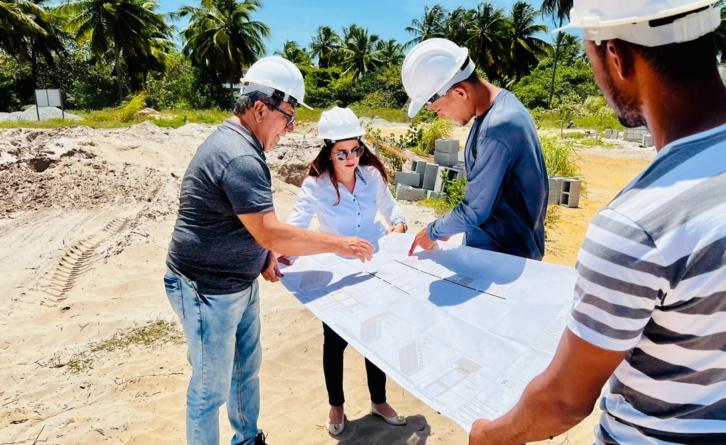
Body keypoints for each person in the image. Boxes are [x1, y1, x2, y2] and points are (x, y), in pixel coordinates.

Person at [468, 1, 726, 444]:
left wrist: (488, 435)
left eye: (590, 58)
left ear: (617, 58)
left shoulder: (639, 223)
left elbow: (564, 402)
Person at [164, 57, 374, 445]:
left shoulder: (240, 145)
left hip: (235, 283)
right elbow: (271, 232)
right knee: (210, 388)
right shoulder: (240, 155)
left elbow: (246, 224)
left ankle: (247, 438)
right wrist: (340, 244)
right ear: (261, 108)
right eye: (288, 116)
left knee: (245, 371)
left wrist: (264, 256)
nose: (290, 128)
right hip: (206, 288)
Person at [281, 106, 408, 436]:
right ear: (328, 151)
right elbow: (297, 228)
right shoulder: (315, 186)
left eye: (356, 149)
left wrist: (399, 225)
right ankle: (337, 406)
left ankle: (379, 402)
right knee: (334, 341)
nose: (351, 157)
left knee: (375, 335)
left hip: (374, 265)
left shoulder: (373, 177)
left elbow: (393, 212)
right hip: (336, 271)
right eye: (342, 152)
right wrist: (283, 253)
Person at [401, 38, 549, 260]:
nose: (441, 116)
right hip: (507, 247)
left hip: (502, 255)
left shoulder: (497, 126)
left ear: (460, 92)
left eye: (438, 109)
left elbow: (474, 211)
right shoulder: (500, 109)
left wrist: (433, 231)